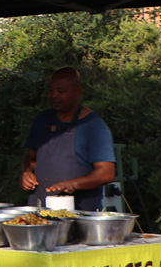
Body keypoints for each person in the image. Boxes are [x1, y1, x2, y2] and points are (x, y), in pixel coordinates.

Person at [21, 67, 116, 211]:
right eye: (51, 90)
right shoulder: (41, 121)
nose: (54, 95)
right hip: (40, 212)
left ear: (78, 91)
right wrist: (26, 173)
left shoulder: (94, 127)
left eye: (61, 91)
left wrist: (74, 184)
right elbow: (30, 157)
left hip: (80, 215)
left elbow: (106, 173)